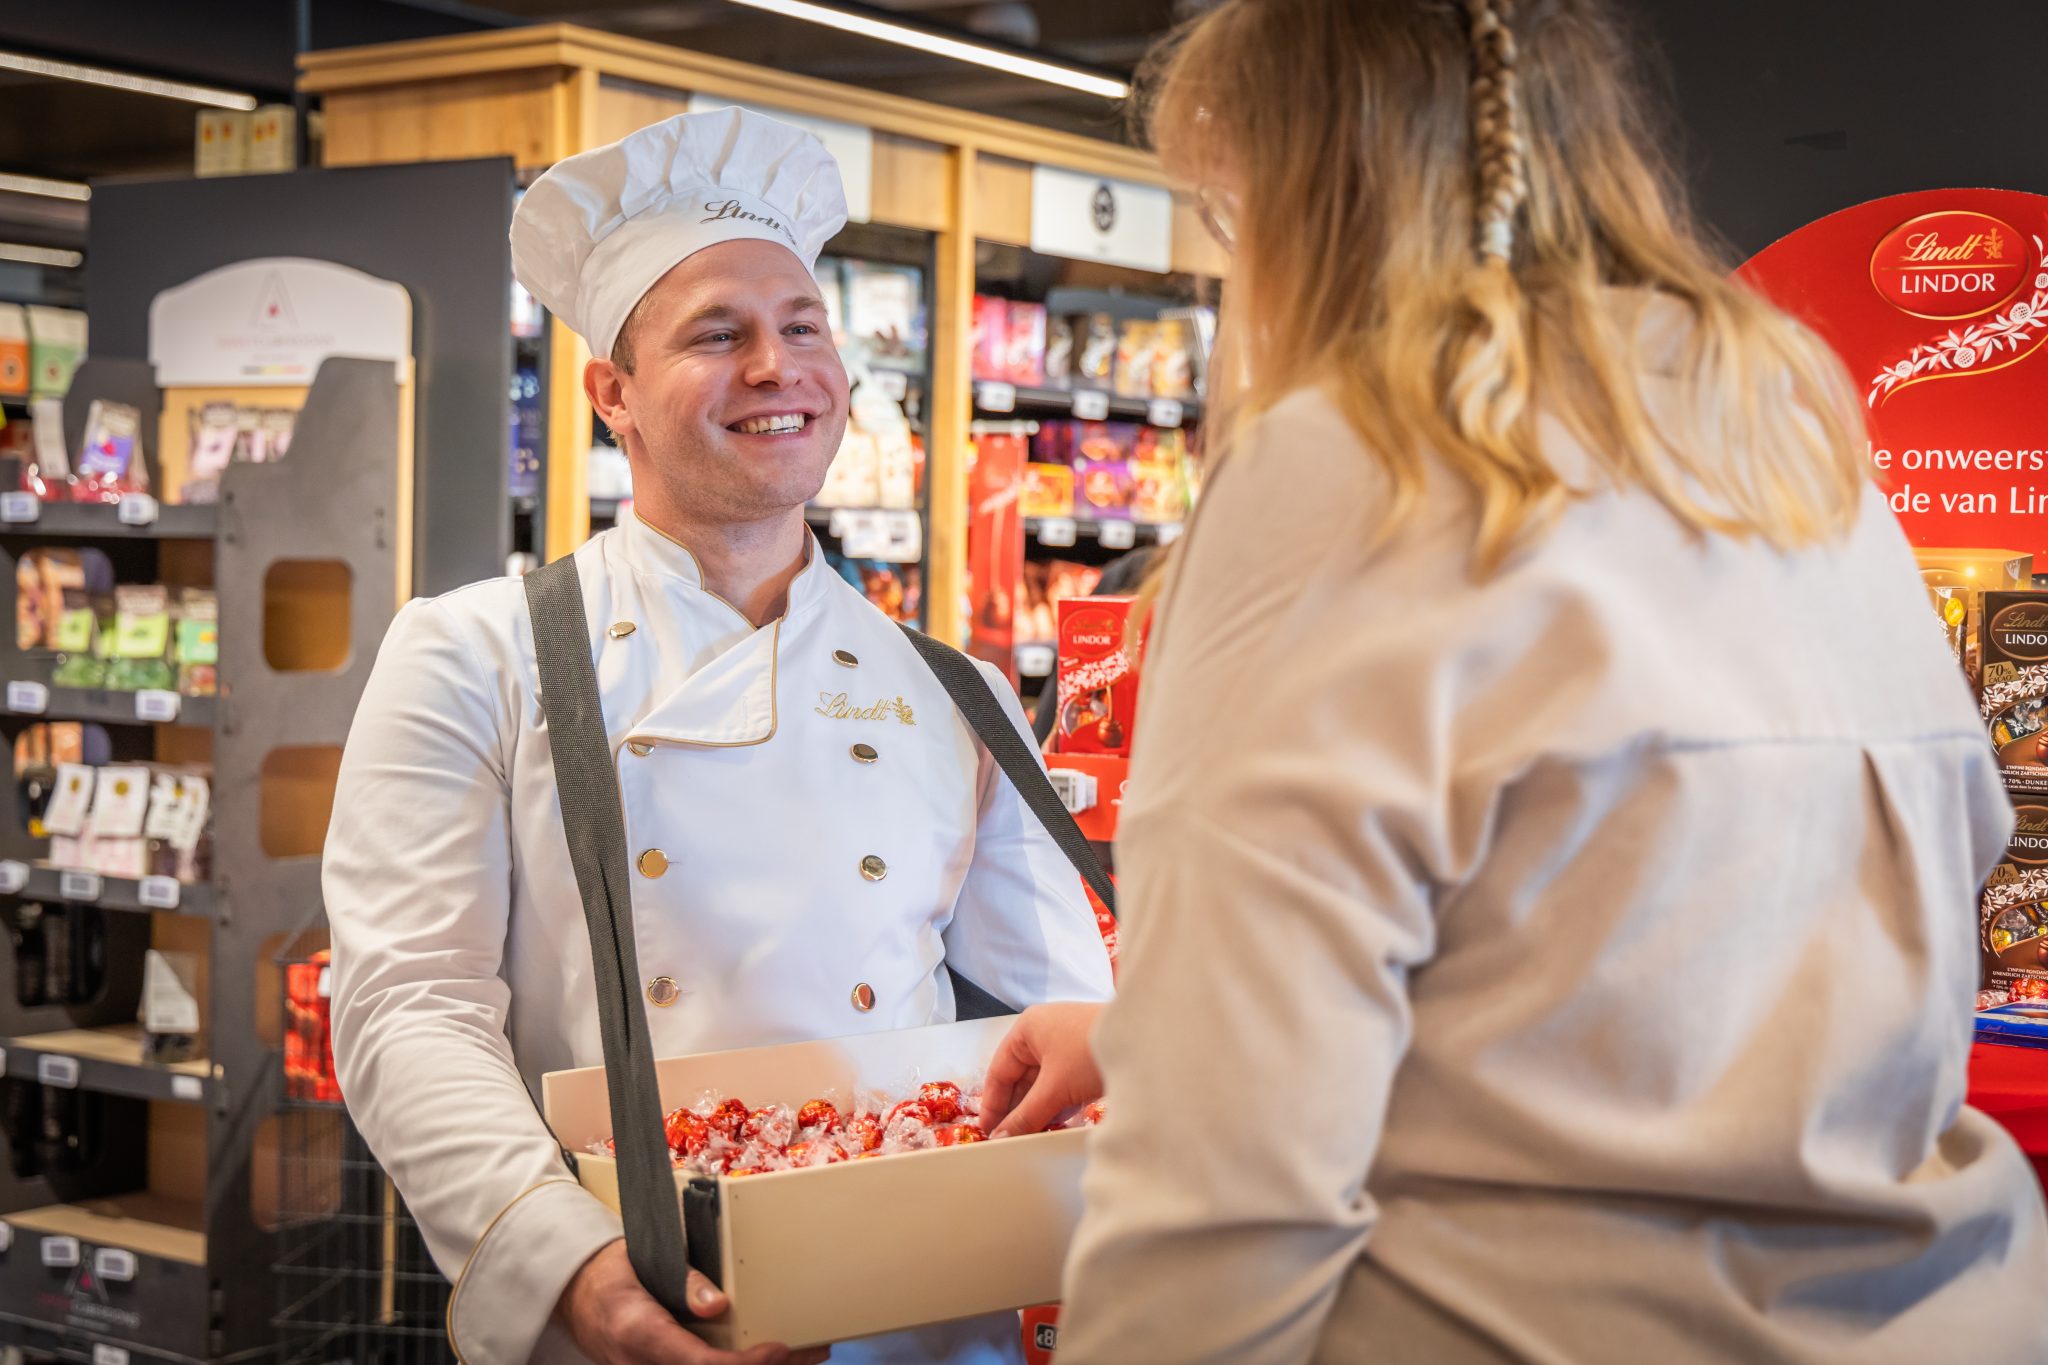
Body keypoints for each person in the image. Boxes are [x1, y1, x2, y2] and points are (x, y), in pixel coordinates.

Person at [977, 1, 2048, 1361]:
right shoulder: (1784, 421)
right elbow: (1649, 920)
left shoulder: (1348, 454)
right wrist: (1140, 1028)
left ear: (1314, 201)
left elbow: (1222, 1185)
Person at [323, 108, 1113, 1365]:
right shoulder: (475, 652)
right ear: (611, 396)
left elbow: (1062, 1010)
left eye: (803, 327)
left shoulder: (954, 689)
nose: (776, 367)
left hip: (920, 1311)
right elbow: (407, 1006)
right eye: (717, 335)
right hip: (635, 1304)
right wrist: (568, 1270)